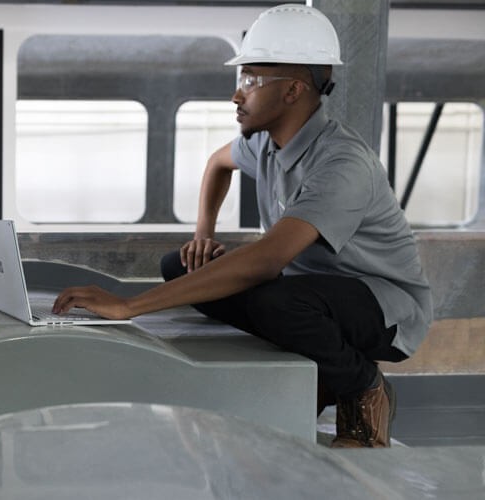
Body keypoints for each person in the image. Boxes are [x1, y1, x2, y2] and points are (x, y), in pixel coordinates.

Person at [53, 3, 433, 448]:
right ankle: (320, 368)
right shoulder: (265, 143)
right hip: (307, 290)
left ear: (293, 91)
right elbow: (218, 164)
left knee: (277, 303)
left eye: (251, 79)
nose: (238, 94)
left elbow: (269, 257)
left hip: (382, 305)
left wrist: (130, 305)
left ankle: (362, 387)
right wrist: (203, 235)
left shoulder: (342, 163)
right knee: (180, 267)